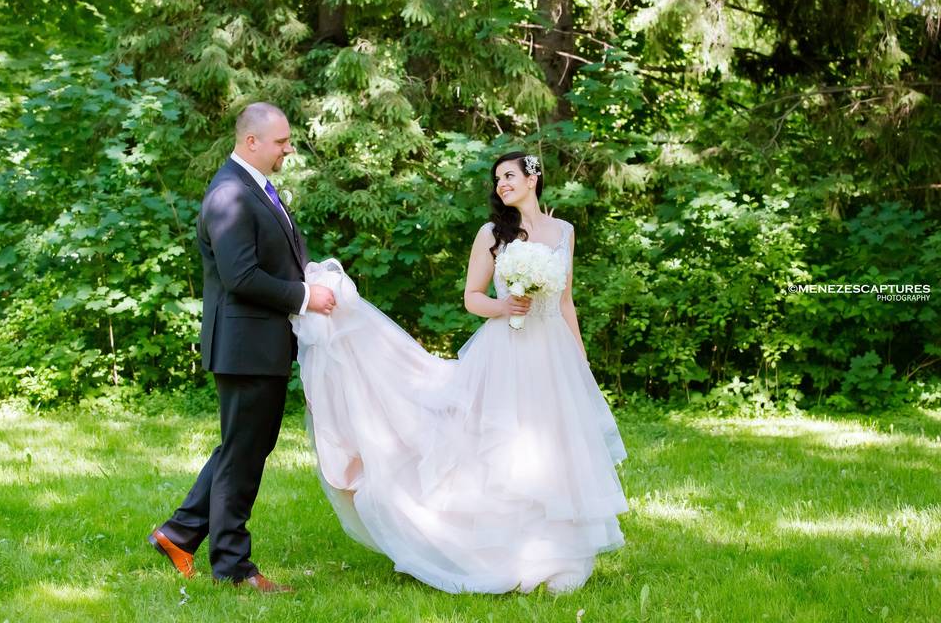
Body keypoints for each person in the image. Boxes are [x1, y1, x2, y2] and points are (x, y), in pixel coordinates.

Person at [293, 150, 628, 594]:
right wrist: (504, 304)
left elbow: (565, 302)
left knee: (556, 449)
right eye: (497, 179)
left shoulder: (564, 231)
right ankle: (501, 552)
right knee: (501, 448)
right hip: (507, 350)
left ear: (533, 177)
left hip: (553, 355)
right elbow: (472, 297)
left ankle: (558, 553)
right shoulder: (493, 233)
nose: (502, 184)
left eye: (509, 175)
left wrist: (580, 361)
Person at [147, 102, 336, 592]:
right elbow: (241, 276)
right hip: (245, 344)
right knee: (243, 454)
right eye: (281, 141)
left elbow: (278, 257)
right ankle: (232, 567)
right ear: (251, 141)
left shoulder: (257, 188)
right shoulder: (230, 193)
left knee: (243, 448)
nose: (288, 148)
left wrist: (310, 276)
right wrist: (304, 296)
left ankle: (179, 533)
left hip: (260, 343)